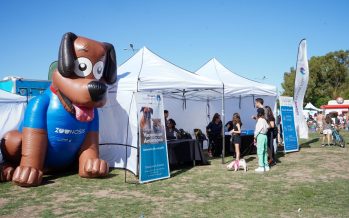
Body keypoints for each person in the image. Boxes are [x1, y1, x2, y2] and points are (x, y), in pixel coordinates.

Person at [254, 108, 270, 172]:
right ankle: (266, 166)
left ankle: (261, 167)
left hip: (260, 136)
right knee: (265, 151)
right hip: (265, 136)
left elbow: (257, 130)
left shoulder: (260, 120)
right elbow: (268, 127)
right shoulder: (264, 120)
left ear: (258, 113)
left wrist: (255, 137)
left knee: (260, 151)